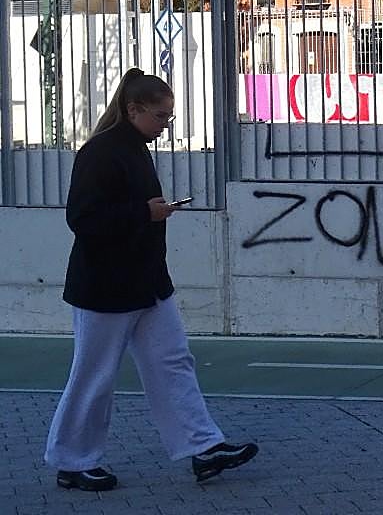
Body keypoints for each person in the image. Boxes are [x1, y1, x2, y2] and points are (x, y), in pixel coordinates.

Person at [45, 68, 258, 492]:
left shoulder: (132, 148)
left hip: (147, 283)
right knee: (94, 375)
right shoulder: (100, 152)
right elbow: (83, 219)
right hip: (106, 287)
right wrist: (146, 212)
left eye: (168, 117)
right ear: (133, 110)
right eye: (160, 116)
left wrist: (148, 213)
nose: (165, 125)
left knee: (174, 362)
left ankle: (203, 446)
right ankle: (72, 461)